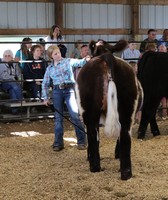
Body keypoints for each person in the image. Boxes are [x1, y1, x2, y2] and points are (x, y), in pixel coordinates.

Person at [42, 45, 90, 151]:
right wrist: (45, 97)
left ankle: (82, 141)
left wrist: (85, 60)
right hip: (57, 91)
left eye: (58, 52)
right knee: (58, 118)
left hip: (69, 90)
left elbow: (79, 62)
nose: (58, 55)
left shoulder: (68, 61)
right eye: (55, 54)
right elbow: (45, 83)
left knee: (75, 116)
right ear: (51, 56)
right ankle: (58, 143)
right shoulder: (49, 69)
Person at [0, 50, 22, 114]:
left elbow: (19, 74)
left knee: (13, 89)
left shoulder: (15, 64)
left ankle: (14, 111)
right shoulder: (1, 64)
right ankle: (21, 100)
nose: (7, 57)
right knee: (14, 85)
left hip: (14, 83)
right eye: (5, 56)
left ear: (12, 57)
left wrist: (20, 81)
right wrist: (13, 78)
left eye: (9, 56)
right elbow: (3, 76)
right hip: (4, 83)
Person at [158, 44, 168, 120]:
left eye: (162, 49)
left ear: (166, 50)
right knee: (163, 98)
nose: (161, 50)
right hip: (160, 81)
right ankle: (164, 115)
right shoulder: (156, 58)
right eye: (160, 49)